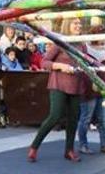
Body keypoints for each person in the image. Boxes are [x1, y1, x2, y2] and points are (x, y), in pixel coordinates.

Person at [28, 18, 87, 163]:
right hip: (59, 84)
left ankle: (69, 150)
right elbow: (44, 62)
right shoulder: (60, 41)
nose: (78, 25)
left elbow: (85, 62)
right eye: (75, 23)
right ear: (68, 24)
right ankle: (34, 147)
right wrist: (60, 66)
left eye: (80, 23)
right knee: (55, 116)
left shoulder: (82, 44)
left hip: (76, 85)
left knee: (73, 120)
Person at [76, 29, 105, 155]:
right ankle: (83, 145)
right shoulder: (85, 49)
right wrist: (92, 82)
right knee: (86, 118)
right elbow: (83, 69)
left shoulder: (104, 51)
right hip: (89, 89)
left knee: (104, 118)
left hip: (103, 89)